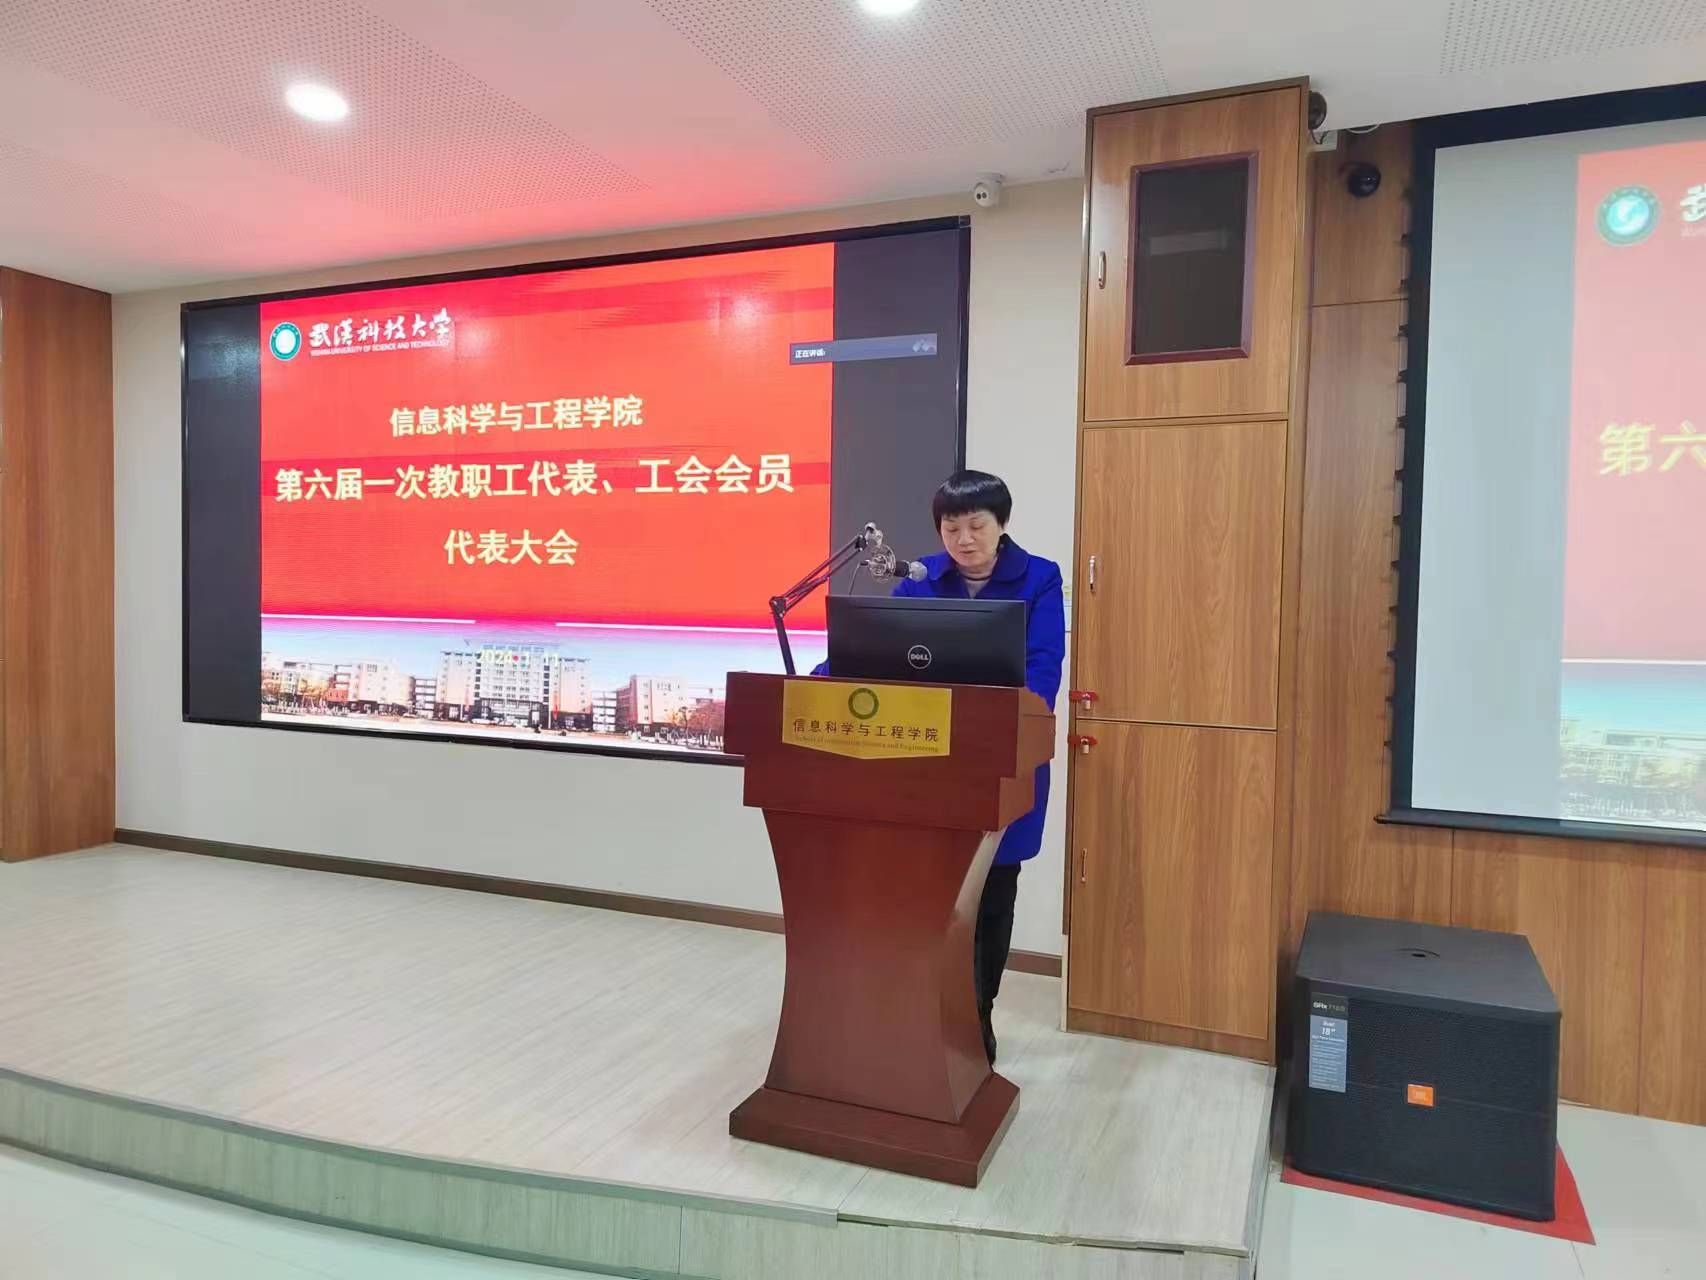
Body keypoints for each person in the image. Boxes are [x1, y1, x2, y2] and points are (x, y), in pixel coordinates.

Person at [897, 470, 1066, 1064]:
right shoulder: (920, 578)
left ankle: (978, 1014)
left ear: (1001, 525)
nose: (963, 540)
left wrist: (1011, 718)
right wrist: (820, 678)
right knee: (928, 895)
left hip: (1000, 759)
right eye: (951, 528)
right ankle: (926, 1015)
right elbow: (876, 651)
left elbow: (1044, 665)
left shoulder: (1039, 578)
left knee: (992, 893)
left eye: (976, 526)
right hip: (926, 764)